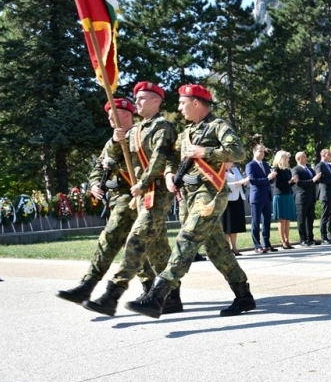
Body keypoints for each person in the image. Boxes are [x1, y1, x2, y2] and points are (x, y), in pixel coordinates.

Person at [125, 83, 254, 319]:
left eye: (183, 103)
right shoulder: (185, 133)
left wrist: (206, 153)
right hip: (188, 196)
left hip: (209, 194)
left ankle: (159, 294)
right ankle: (244, 295)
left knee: (186, 239)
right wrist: (169, 175)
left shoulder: (217, 126)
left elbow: (238, 152)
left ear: (196, 103)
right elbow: (174, 159)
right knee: (217, 250)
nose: (179, 108)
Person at [82, 82, 176, 317]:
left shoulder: (162, 126)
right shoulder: (135, 131)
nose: (138, 102)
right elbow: (106, 162)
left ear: (157, 101)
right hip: (140, 194)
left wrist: (141, 184)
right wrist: (116, 141)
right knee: (154, 247)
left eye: (143, 98)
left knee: (137, 240)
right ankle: (169, 296)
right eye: (137, 98)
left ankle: (111, 296)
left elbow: (158, 161)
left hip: (155, 192)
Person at [57, 98, 156, 305]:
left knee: (122, 241)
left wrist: (121, 142)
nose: (110, 117)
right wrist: (94, 184)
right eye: (109, 113)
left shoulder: (141, 134)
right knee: (127, 243)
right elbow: (99, 168)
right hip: (117, 199)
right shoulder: (111, 140)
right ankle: (149, 289)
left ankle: (91, 285)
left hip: (138, 197)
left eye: (114, 113)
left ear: (127, 115)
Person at [246, 144, 276, 253]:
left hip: (267, 196)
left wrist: (272, 177)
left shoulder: (265, 164)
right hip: (257, 197)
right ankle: (257, 245)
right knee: (255, 221)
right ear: (254, 152)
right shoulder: (250, 165)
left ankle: (266, 243)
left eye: (263, 152)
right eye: (260, 151)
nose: (262, 153)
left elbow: (270, 180)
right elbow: (253, 180)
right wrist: (267, 178)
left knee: (267, 221)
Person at [291, 151, 320, 246]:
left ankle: (310, 238)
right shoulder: (296, 169)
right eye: (304, 157)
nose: (306, 158)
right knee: (302, 219)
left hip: (311, 197)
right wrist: (313, 180)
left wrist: (317, 179)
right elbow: (299, 183)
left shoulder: (310, 170)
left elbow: (314, 182)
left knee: (310, 219)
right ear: (298, 159)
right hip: (302, 198)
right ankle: (303, 239)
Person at [271, 150, 296, 248]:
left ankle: (287, 240)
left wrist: (293, 181)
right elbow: (277, 184)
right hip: (280, 195)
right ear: (281, 158)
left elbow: (288, 183)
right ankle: (282, 241)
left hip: (288, 194)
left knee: (287, 218)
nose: (288, 159)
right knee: (282, 219)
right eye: (287, 158)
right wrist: (289, 182)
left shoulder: (287, 169)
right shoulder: (276, 168)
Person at [222, 162, 248, 255]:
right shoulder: (221, 171)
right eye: (230, 161)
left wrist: (245, 182)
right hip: (228, 200)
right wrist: (239, 182)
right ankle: (226, 248)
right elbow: (225, 185)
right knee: (227, 225)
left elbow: (241, 181)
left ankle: (234, 247)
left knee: (234, 225)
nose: (232, 162)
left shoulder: (235, 169)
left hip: (238, 198)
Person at [315, 148, 331, 244]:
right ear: (323, 155)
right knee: (325, 215)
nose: (330, 156)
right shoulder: (319, 165)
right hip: (325, 193)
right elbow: (321, 180)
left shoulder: (329, 166)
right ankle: (323, 235)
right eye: (329, 154)